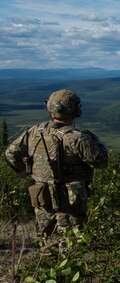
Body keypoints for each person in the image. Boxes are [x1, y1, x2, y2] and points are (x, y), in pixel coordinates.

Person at [4, 89, 108, 238]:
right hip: (71, 202)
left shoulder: (34, 132)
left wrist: (27, 172)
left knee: (46, 242)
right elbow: (101, 162)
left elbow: (10, 154)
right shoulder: (77, 138)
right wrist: (96, 141)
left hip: (42, 197)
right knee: (71, 245)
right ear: (73, 109)